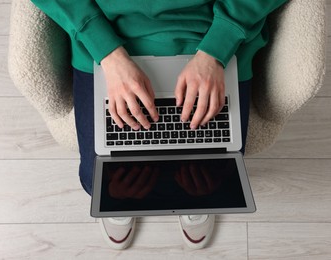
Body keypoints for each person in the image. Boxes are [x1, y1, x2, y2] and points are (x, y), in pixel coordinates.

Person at [31, 0, 288, 250]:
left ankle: (195, 201)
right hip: (106, 42)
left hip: (211, 38)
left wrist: (218, 46)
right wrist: (106, 50)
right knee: (102, 179)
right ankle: (125, 203)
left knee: (212, 171)